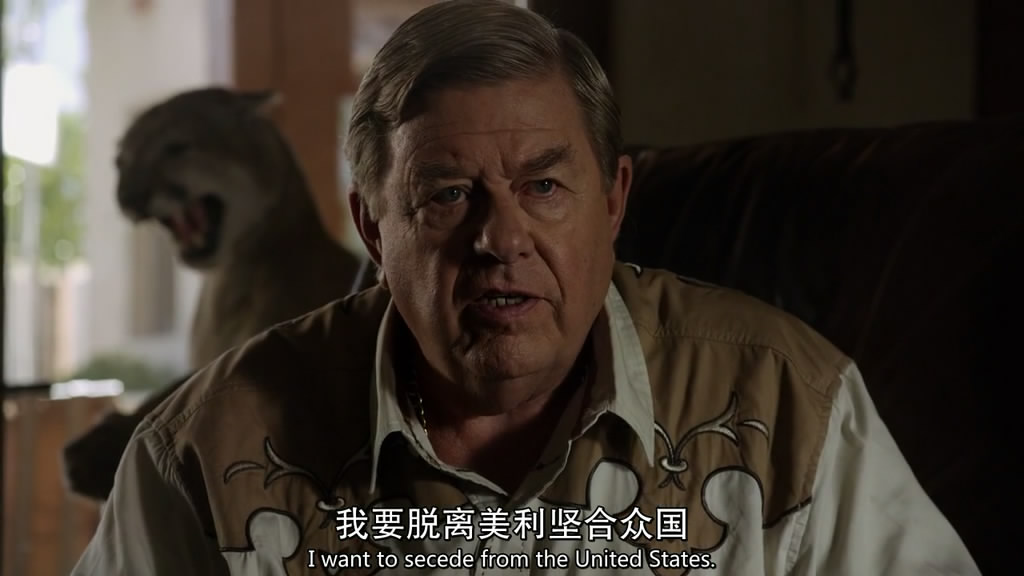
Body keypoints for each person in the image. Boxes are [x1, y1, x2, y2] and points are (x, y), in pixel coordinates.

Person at [71, 1, 980, 574]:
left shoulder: (789, 408)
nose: (500, 239)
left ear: (614, 201)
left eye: (543, 186)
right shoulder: (204, 454)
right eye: (446, 195)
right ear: (374, 230)